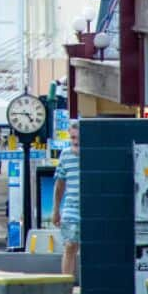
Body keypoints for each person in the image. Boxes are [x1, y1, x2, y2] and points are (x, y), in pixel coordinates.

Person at [53, 121, 81, 283]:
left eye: (78, 138)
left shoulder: (94, 153)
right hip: (71, 206)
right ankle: (66, 289)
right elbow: (60, 184)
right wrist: (56, 209)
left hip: (91, 206)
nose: (75, 142)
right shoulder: (65, 155)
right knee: (70, 245)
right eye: (73, 138)